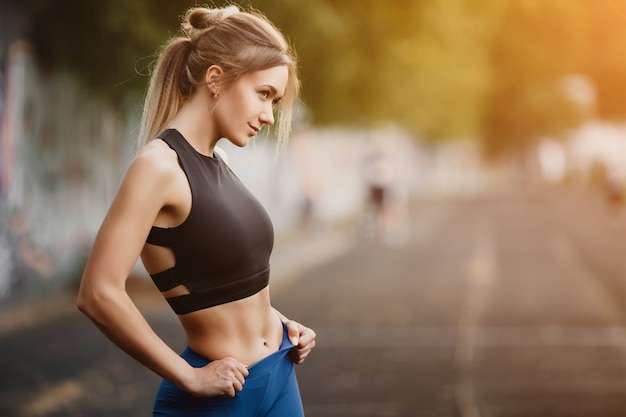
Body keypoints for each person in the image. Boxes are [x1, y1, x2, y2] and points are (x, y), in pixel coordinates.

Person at [76, 5, 316, 416]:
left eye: (274, 100)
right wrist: (187, 376)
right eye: (263, 94)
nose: (269, 115)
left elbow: (219, 283)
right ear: (216, 78)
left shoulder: (216, 163)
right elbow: (98, 293)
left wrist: (280, 323)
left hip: (279, 373)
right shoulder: (158, 167)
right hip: (221, 397)